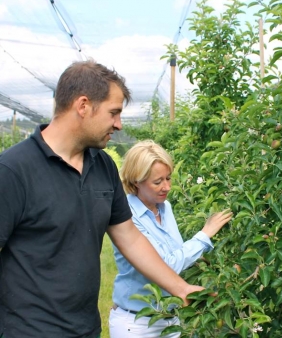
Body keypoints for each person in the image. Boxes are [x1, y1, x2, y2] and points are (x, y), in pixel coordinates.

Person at [0, 60, 204, 338]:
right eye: (114, 113)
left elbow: (130, 238)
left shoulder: (103, 166)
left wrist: (181, 288)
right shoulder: (13, 171)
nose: (119, 124)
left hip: (85, 328)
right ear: (83, 106)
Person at [109, 140, 232, 338]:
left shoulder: (165, 208)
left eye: (168, 178)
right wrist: (204, 235)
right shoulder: (126, 215)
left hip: (170, 319)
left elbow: (176, 251)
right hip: (136, 324)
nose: (166, 187)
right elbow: (165, 266)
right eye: (157, 182)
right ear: (135, 182)